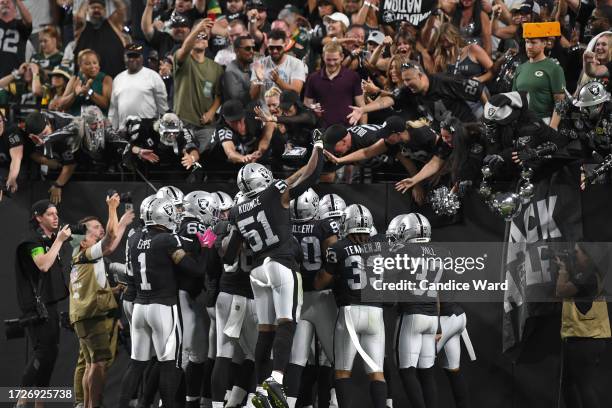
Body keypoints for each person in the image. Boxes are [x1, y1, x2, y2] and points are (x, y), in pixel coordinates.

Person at [221, 134, 326, 407]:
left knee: (265, 331)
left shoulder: (236, 210)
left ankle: (260, 388)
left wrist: (214, 235)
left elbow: (228, 255)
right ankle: (277, 381)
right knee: (287, 323)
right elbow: (311, 177)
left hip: (257, 271)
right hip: (280, 264)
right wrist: (318, 146)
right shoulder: (272, 193)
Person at [118, 196, 204, 408]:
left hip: (139, 307)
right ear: (163, 215)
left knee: (136, 364)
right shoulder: (167, 240)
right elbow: (195, 269)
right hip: (163, 307)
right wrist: (207, 243)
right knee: (169, 364)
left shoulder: (134, 238)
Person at [314, 204, 387, 408]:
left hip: (349, 311)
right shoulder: (382, 244)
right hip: (376, 313)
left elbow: (321, 282)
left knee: (342, 370)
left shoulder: (338, 247)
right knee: (376, 371)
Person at [69, 194, 135, 408]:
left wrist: (113, 290)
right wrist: (112, 208)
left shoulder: (81, 255)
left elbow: (109, 243)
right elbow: (109, 240)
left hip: (83, 315)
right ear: (83, 239)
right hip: (91, 314)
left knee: (90, 364)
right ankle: (91, 404)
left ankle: (87, 404)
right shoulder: (86, 253)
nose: (97, 235)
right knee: (96, 364)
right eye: (93, 231)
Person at [284, 188, 339, 408]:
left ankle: (290, 403)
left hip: (296, 296)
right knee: (338, 356)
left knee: (297, 359)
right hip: (321, 296)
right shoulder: (324, 226)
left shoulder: (286, 226)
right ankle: (335, 402)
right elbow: (333, 257)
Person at [14, 200, 72, 405]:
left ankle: (39, 403)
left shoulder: (51, 239)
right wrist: (59, 242)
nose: (55, 217)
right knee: (43, 352)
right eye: (50, 214)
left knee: (51, 353)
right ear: (38, 217)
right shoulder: (32, 242)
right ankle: (21, 399)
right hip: (37, 307)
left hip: (50, 304)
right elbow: (43, 265)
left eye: (56, 213)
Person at [348, 61, 487, 130]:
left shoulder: (445, 81)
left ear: (420, 75)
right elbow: (387, 100)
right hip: (445, 135)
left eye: (409, 79)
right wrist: (363, 109)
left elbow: (480, 89)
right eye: (404, 80)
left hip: (466, 128)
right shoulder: (408, 91)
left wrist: (488, 117)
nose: (406, 84)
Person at [555, 242, 611, 408]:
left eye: (577, 252)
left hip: (586, 339)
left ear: (588, 256)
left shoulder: (589, 277)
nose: (574, 254)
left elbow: (561, 291)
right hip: (581, 337)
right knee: (569, 384)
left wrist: (563, 269)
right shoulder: (586, 275)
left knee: (584, 386)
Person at [174, 18, 224, 140]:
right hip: (183, 122)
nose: (200, 38)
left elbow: (219, 95)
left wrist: (212, 111)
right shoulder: (182, 58)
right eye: (197, 35)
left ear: (207, 42)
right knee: (185, 158)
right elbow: (185, 49)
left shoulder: (216, 67)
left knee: (206, 158)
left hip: (206, 125)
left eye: (204, 37)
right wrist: (197, 29)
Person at [512, 25, 566, 129]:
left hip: (544, 122)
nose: (529, 46)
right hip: (521, 123)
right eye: (527, 42)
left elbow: (561, 102)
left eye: (533, 42)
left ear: (544, 44)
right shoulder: (520, 69)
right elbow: (514, 99)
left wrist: (553, 127)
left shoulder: (554, 68)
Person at [304, 41, 366, 127]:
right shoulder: (313, 78)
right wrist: (313, 107)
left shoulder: (352, 76)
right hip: (322, 129)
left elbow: (361, 106)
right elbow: (307, 103)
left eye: (335, 59)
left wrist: (364, 129)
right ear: (323, 57)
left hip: (347, 129)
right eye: (328, 60)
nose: (332, 63)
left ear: (342, 57)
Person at [108, 43, 169, 130]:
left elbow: (163, 108)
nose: (132, 59)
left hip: (148, 131)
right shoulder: (118, 79)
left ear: (142, 57)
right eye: (129, 56)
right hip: (124, 132)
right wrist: (112, 129)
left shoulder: (153, 76)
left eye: (136, 56)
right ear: (124, 57)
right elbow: (114, 109)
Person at [24, 111, 80, 204]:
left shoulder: (63, 130)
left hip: (76, 143)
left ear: (49, 123)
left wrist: (58, 185)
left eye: (45, 133)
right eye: (40, 137)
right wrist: (45, 161)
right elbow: (29, 151)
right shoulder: (31, 128)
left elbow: (71, 164)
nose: (45, 137)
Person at [73, 0, 127, 78]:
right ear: (87, 10)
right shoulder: (81, 27)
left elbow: (121, 9)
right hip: (87, 81)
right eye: (93, 8)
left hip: (115, 78)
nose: (96, 10)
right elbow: (79, 17)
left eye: (99, 8)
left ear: (105, 11)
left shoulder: (113, 23)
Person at [249, 29, 307, 100]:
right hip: (265, 109)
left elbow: (296, 92)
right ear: (267, 46)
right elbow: (253, 96)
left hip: (286, 109)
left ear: (285, 46)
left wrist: (278, 81)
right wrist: (259, 80)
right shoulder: (260, 64)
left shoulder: (297, 64)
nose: (275, 51)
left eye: (278, 48)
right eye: (271, 48)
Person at [57, 49, 112, 115]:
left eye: (95, 63)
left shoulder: (106, 79)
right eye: (87, 64)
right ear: (80, 66)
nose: (92, 66)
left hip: (98, 123)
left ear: (99, 65)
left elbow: (106, 104)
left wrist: (89, 92)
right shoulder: (74, 79)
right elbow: (61, 106)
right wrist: (74, 94)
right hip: (75, 122)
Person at [0, 0, 32, 78]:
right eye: (2, 2)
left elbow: (29, 21)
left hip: (15, 76)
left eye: (8, 1)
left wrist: (18, 1)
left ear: (15, 8)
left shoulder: (20, 25)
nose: (5, 3)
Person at [222, 34, 255, 104]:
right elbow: (237, 99)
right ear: (236, 51)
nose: (252, 51)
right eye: (247, 48)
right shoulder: (230, 71)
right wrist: (257, 84)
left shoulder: (252, 66)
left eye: (253, 48)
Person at [0, 110, 23, 195]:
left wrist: (12, 178)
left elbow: (16, 158)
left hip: (17, 164)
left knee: (12, 187)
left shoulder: (12, 131)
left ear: (4, 120)